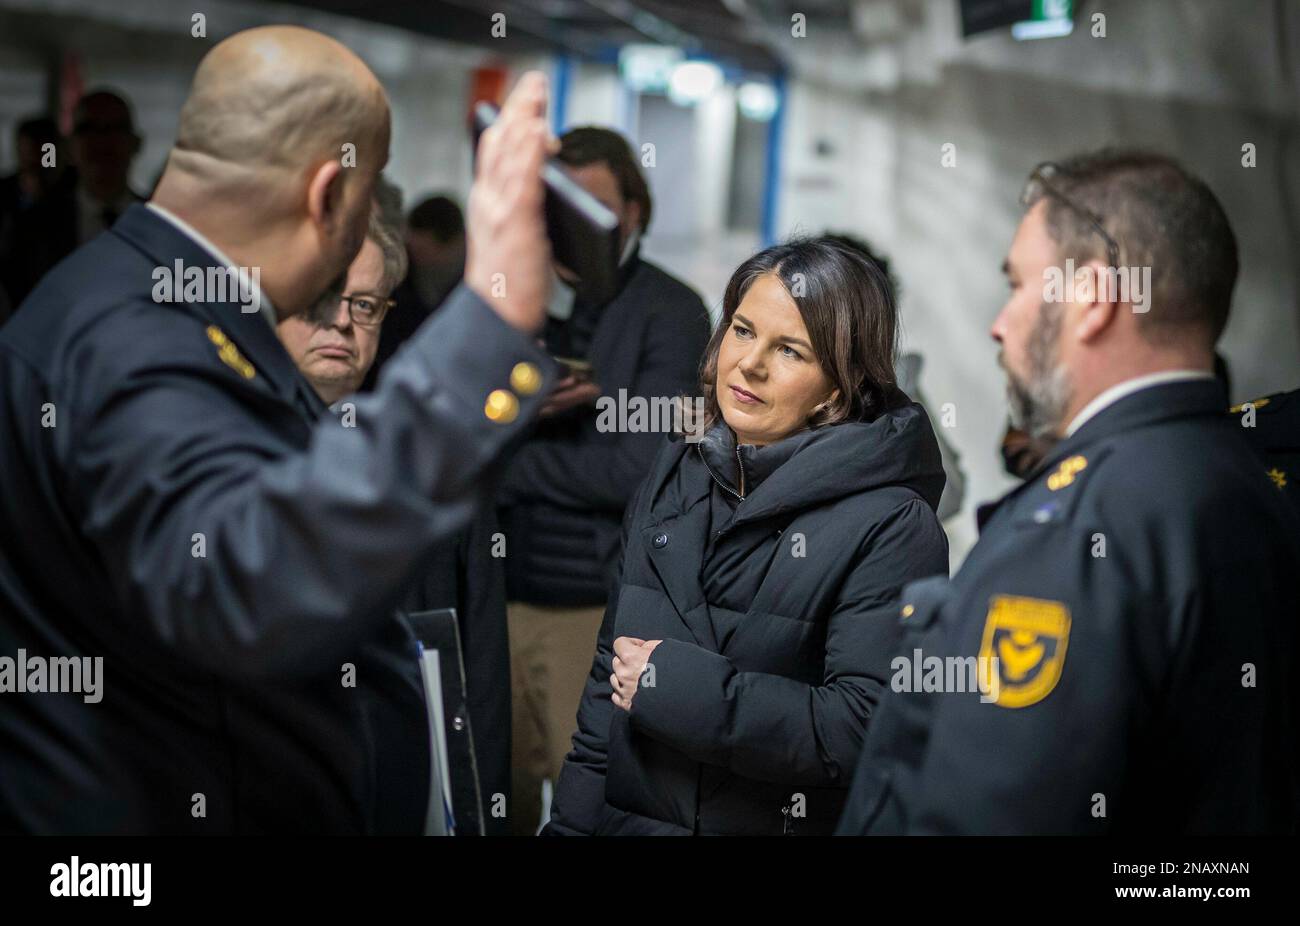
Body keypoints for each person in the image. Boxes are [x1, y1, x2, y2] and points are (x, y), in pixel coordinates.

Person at [0, 26, 557, 834]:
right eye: (366, 202)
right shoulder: (141, 340)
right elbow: (252, 583)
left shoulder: (125, 290)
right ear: (329, 194)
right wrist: (489, 333)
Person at [838, 150, 1300, 835]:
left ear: (1091, 299)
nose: (1000, 324)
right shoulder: (1240, 478)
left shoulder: (1080, 529)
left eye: (1018, 285)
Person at [545, 237, 949, 836]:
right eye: (741, 330)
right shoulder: (679, 466)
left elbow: (866, 727)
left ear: (837, 386)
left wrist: (686, 693)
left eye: (789, 351)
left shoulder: (891, 524)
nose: (749, 364)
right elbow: (610, 683)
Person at [277, 177, 513, 833]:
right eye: (325, 298)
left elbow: (482, 664)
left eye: (368, 307)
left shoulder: (443, 459)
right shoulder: (223, 456)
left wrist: (482, 806)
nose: (344, 324)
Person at [495, 126, 711, 833]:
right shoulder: (517, 291)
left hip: (590, 614)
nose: (576, 226)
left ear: (635, 215)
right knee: (497, 789)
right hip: (498, 595)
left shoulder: (671, 311)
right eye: (563, 205)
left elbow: (636, 470)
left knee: (582, 796)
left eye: (596, 206)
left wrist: (502, 460)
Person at [2, 92, 143, 305]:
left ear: (134, 143)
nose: (102, 142)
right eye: (89, 130)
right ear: (71, 145)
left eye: (114, 130)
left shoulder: (164, 224)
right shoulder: (30, 226)